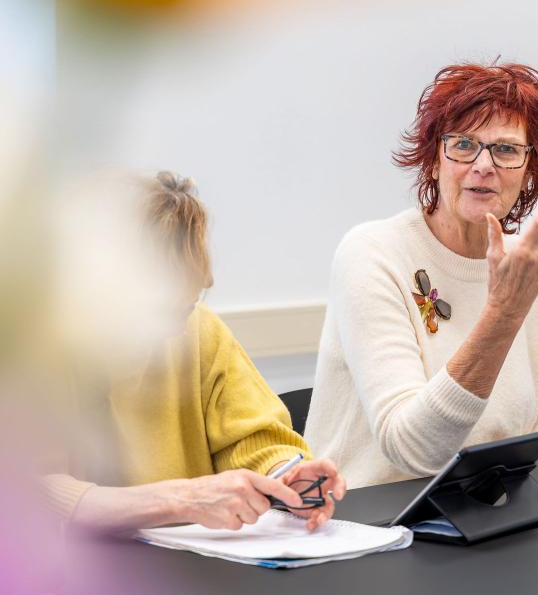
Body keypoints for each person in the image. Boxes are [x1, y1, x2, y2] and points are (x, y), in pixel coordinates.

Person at [305, 63, 538, 488]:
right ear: (432, 162)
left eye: (506, 150)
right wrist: (503, 315)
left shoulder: (526, 266)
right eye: (464, 145)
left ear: (528, 174)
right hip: (369, 527)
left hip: (485, 520)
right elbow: (411, 448)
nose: (484, 165)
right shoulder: (372, 254)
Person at [43, 172, 344, 533]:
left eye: (190, 300)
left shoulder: (198, 328)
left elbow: (252, 436)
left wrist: (287, 477)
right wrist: (180, 499)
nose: (179, 323)